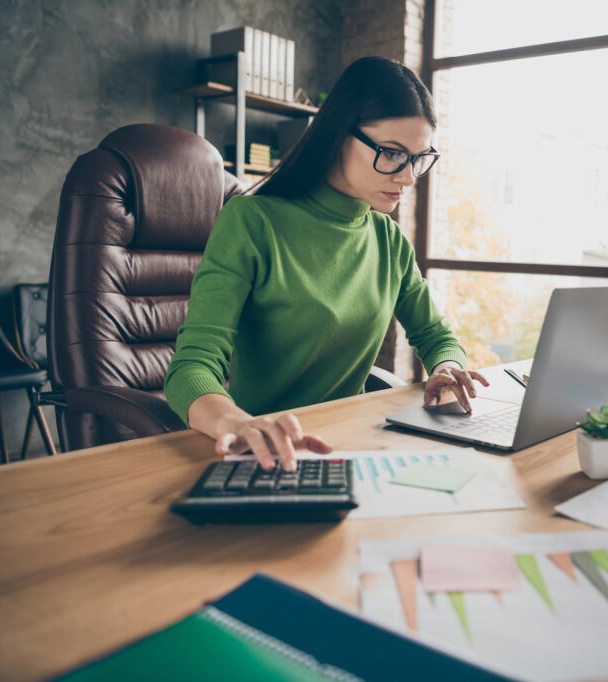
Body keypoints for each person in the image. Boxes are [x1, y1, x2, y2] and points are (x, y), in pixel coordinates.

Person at [164, 56, 487, 473]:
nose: (407, 178)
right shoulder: (251, 222)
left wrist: (447, 367)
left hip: (354, 446)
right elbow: (191, 366)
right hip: (264, 454)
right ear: (338, 134)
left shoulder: (388, 240)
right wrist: (236, 422)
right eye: (391, 153)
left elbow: (435, 334)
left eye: (419, 159)